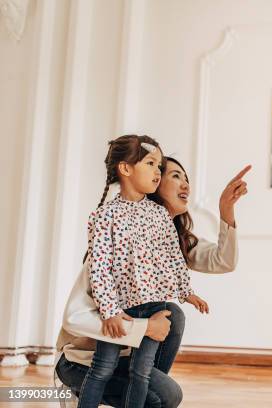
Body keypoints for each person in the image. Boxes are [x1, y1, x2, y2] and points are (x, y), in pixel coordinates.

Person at [55, 142, 250, 407]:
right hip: (82, 360)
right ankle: (85, 390)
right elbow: (75, 318)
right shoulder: (115, 237)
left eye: (186, 178)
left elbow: (223, 261)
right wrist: (145, 327)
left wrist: (226, 210)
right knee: (164, 396)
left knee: (173, 316)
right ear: (151, 182)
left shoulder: (172, 237)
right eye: (174, 175)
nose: (186, 185)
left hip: (129, 350)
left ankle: (143, 386)